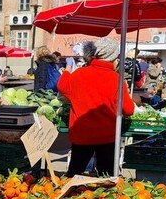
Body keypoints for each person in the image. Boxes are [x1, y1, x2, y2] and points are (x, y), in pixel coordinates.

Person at [57, 37, 135, 177]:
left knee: (74, 175)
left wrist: (68, 68)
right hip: (107, 138)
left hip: (81, 135)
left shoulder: (79, 74)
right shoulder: (117, 79)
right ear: (113, 57)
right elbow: (128, 110)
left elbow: (62, 86)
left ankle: (71, 195)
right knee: (106, 179)